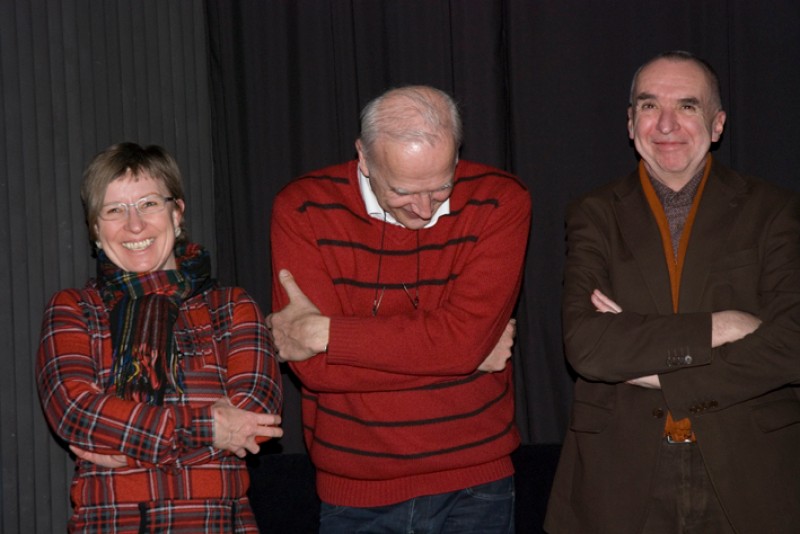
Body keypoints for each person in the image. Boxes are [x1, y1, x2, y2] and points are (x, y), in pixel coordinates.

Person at [544, 51, 800, 533]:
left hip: (752, 474)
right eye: (648, 106)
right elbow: (588, 345)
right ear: (629, 121)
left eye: (686, 106)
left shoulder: (777, 212)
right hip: (620, 475)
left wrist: (659, 371)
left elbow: (791, 345)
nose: (665, 124)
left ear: (717, 123)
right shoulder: (593, 213)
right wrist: (723, 325)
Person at [267, 85, 530, 532]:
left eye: (441, 186)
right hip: (356, 491)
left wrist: (330, 334)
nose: (425, 209)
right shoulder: (304, 208)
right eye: (404, 191)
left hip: (475, 486)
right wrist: (460, 355)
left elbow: (463, 343)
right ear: (364, 159)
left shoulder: (499, 199)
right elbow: (314, 370)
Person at [36, 142, 283, 532]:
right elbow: (76, 413)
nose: (135, 225)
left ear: (177, 212)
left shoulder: (231, 306)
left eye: (149, 203)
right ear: (96, 229)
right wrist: (210, 429)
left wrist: (123, 438)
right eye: (114, 210)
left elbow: (253, 419)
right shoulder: (74, 309)